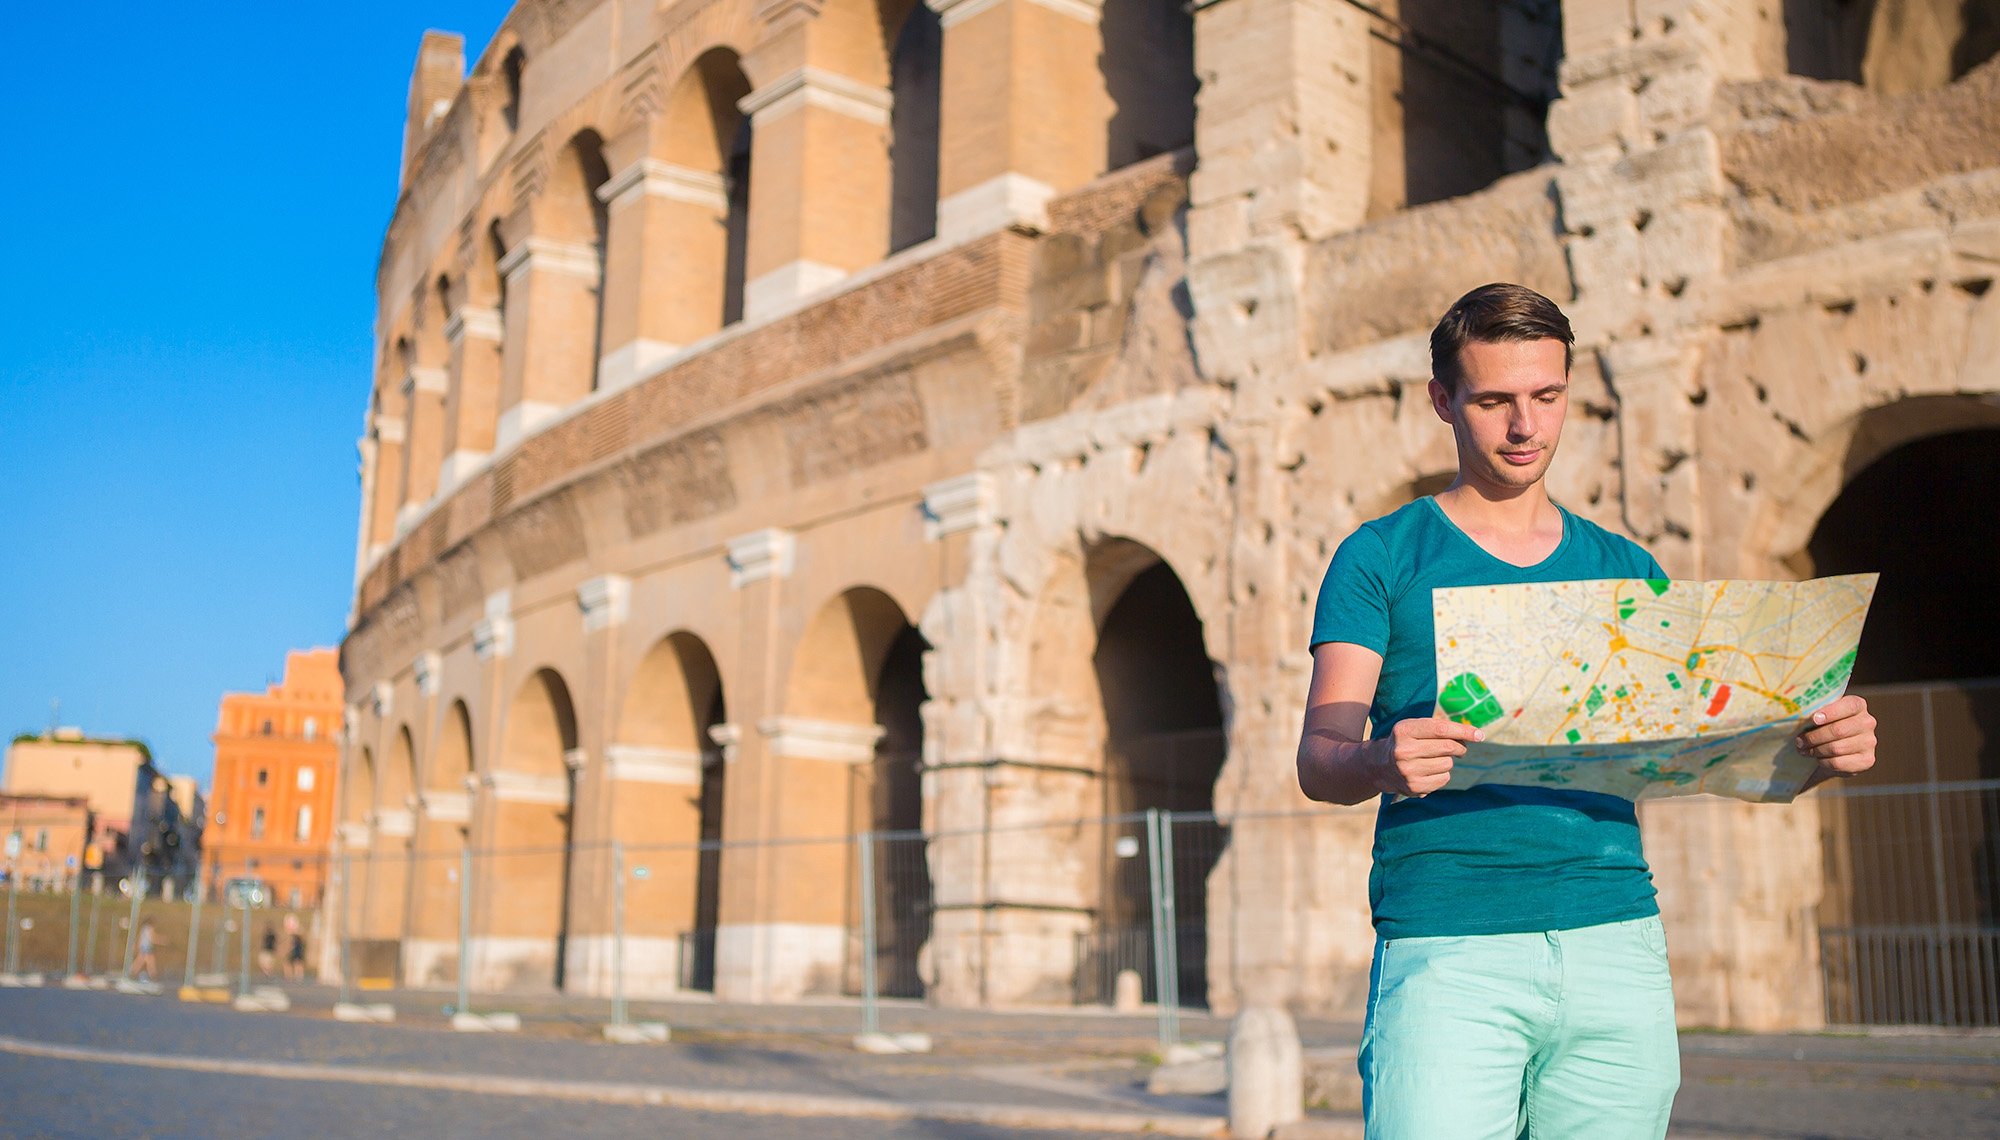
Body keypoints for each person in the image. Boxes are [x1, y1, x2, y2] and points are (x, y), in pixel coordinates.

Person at [1295, 283, 1879, 1139]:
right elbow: (1320, 757)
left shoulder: (1626, 568)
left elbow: (1693, 757)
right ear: (1442, 401)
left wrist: (1813, 750)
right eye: (1494, 401)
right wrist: (1379, 760)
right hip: (1450, 946)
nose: (1526, 427)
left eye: (1547, 397)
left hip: (1618, 939)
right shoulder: (1379, 556)